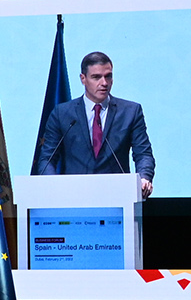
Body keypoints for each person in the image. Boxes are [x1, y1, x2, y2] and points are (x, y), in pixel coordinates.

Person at [34, 50, 155, 197]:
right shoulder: (62, 113)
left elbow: (143, 153)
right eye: (96, 77)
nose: (104, 83)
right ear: (83, 79)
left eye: (108, 76)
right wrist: (52, 187)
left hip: (118, 196)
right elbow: (47, 158)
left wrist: (144, 177)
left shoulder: (130, 112)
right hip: (72, 196)